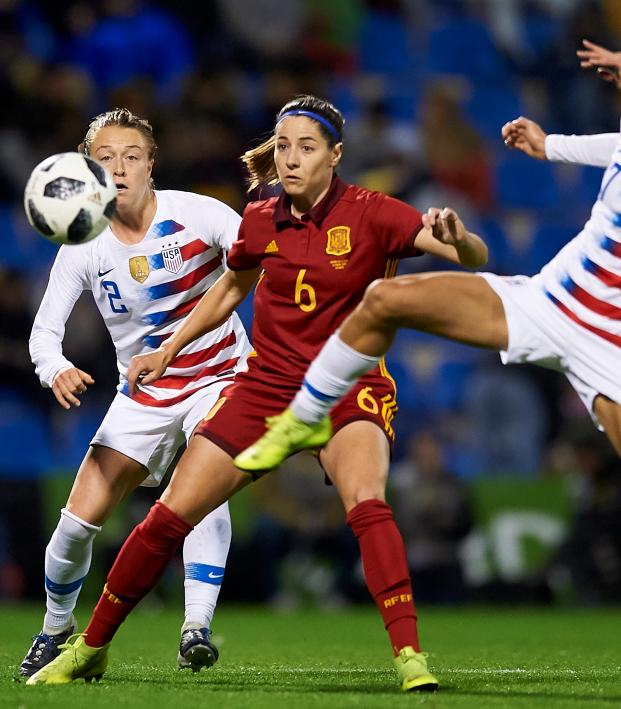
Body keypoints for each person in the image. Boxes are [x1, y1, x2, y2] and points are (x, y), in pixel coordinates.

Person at [27, 94, 489, 692]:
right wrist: (167, 349)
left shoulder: (375, 213)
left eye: (307, 146)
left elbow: (469, 256)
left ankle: (409, 658)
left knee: (367, 505)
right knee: (167, 514)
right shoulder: (261, 216)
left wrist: (462, 237)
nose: (291, 158)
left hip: (345, 386)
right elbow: (229, 288)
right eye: (283, 146)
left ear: (335, 154)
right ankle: (89, 646)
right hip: (264, 386)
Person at [234, 41, 621, 479]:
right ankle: (303, 420)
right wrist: (552, 146)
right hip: (548, 300)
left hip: (610, 347)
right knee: (384, 299)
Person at [20, 108, 250, 676]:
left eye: (131, 156)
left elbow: (258, 256)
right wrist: (56, 370)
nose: (119, 167)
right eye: (105, 158)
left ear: (151, 165)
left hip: (221, 375)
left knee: (203, 490)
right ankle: (56, 631)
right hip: (143, 391)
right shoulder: (82, 242)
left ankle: (196, 626)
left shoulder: (200, 213)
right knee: (75, 526)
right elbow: (44, 334)